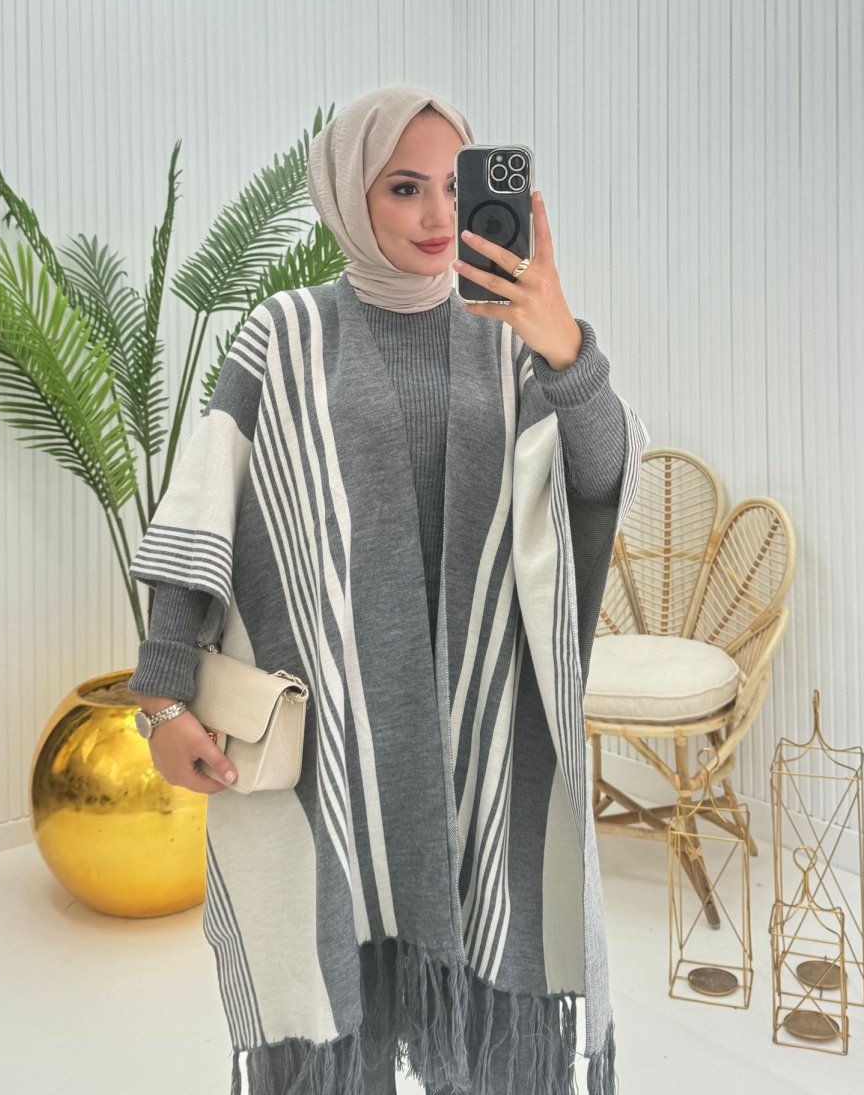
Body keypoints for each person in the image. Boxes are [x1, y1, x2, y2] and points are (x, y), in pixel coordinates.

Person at [127, 85, 649, 1095]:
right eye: (404, 187)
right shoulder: (284, 335)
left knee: (494, 1022)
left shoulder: (509, 339)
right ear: (347, 194)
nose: (437, 213)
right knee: (332, 1010)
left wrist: (564, 346)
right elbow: (204, 506)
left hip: (484, 740)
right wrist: (162, 699)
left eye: (454, 186)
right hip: (337, 741)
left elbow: (598, 479)